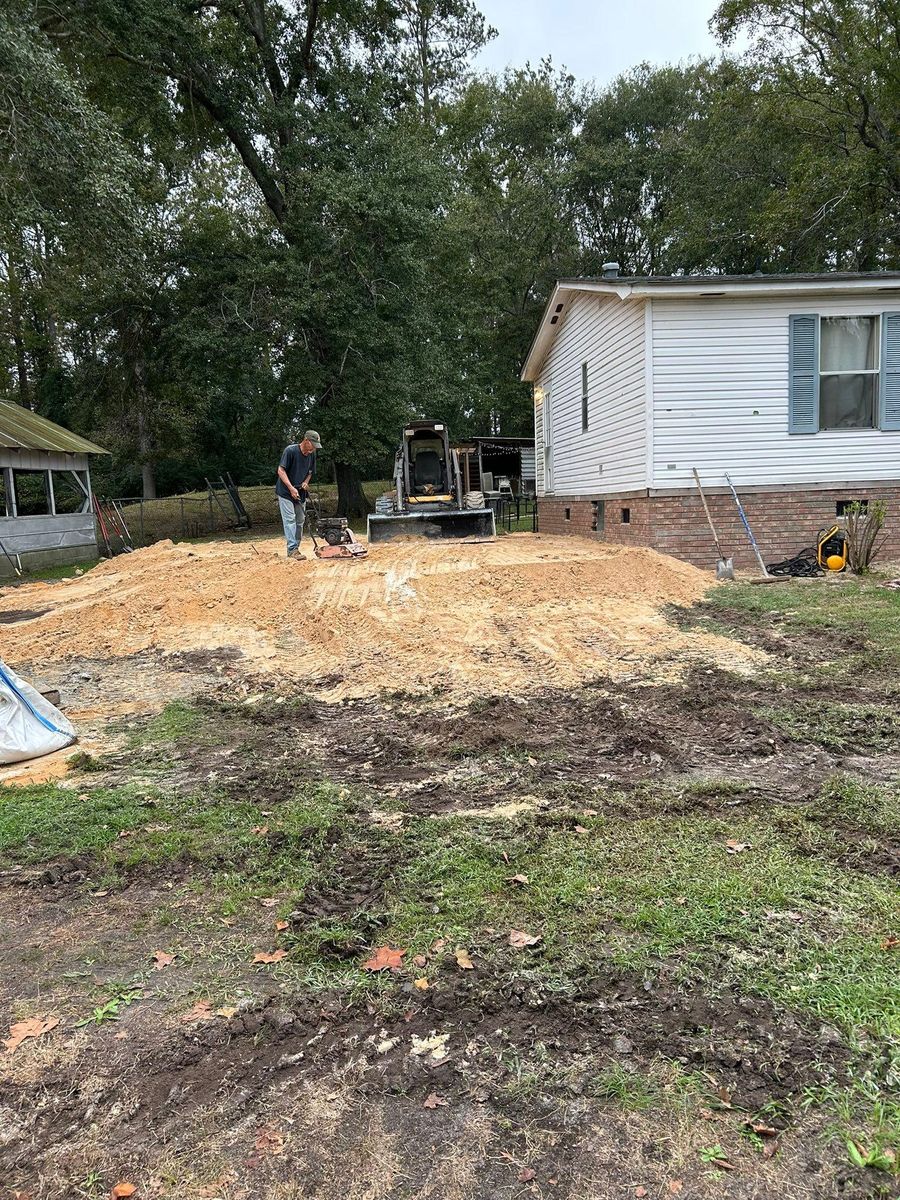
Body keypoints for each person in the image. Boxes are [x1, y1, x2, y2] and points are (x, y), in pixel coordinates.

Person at [276, 431, 323, 559]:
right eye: (313, 445)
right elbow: (280, 470)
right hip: (285, 492)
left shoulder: (311, 455)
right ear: (306, 440)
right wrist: (291, 488)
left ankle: (296, 547)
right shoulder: (290, 451)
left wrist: (305, 483)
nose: (314, 449)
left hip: (300, 492)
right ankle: (292, 550)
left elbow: (310, 472)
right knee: (290, 519)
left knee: (300, 520)